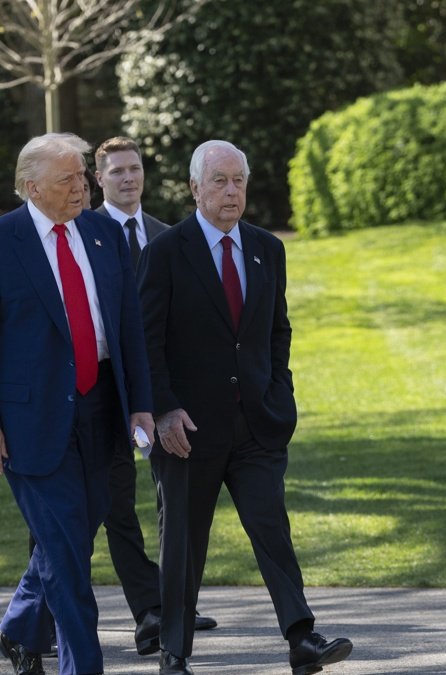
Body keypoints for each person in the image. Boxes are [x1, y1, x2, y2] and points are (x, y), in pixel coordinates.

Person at [136, 140, 353, 675]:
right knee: (184, 543)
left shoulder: (266, 248)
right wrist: (163, 410)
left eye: (239, 181)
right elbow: (145, 341)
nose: (231, 191)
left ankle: (302, 639)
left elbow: (277, 331)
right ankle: (174, 652)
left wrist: (281, 394)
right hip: (187, 431)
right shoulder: (165, 252)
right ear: (195, 188)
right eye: (219, 181)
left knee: (271, 529)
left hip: (256, 423)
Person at [0, 133, 155, 675]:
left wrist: (141, 403)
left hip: (103, 408)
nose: (81, 187)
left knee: (71, 535)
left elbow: (128, 326)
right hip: (31, 421)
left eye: (83, 176)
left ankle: (20, 626)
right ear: (32, 187)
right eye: (67, 179)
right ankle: (81, 666)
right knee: (66, 554)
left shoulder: (103, 233)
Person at [92, 136, 217, 653]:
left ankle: (173, 603)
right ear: (99, 179)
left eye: (134, 168)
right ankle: (147, 609)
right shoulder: (84, 234)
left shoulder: (170, 237)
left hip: (162, 388)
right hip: (103, 389)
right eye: (116, 171)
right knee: (114, 500)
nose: (128, 178)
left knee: (172, 498)